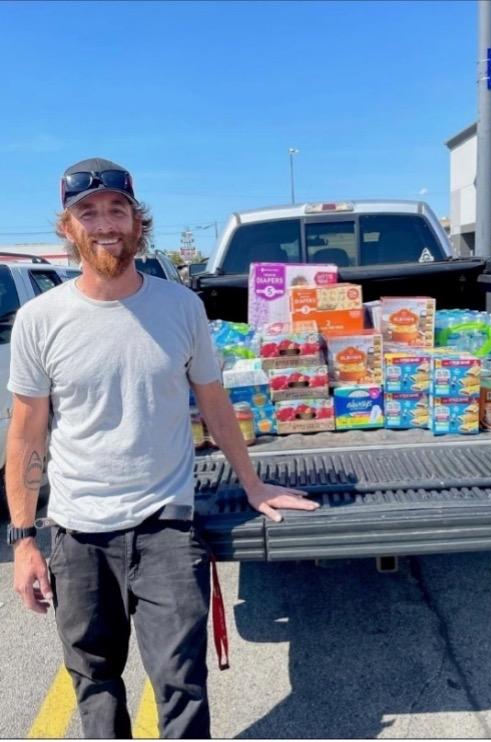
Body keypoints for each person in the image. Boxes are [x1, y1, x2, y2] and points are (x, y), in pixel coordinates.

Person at [5, 157, 319, 739]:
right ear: (69, 228)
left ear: (137, 222)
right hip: (77, 535)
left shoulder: (181, 308)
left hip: (166, 528)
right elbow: (25, 434)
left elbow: (216, 406)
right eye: (88, 212)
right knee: (94, 680)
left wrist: (253, 482)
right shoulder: (39, 320)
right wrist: (25, 540)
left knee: (180, 684)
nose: (105, 223)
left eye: (117, 210)